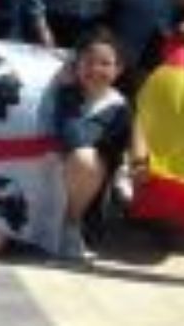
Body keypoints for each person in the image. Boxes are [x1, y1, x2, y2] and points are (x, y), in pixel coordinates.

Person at [52, 33, 133, 262]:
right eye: (88, 61)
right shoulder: (60, 92)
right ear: (75, 65)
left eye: (105, 63)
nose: (95, 69)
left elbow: (75, 139)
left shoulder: (119, 110)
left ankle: (70, 227)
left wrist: (69, 99)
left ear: (119, 70)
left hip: (83, 200)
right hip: (40, 186)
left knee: (84, 157)